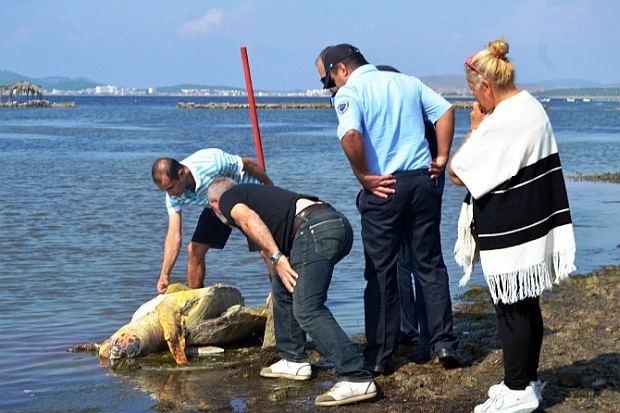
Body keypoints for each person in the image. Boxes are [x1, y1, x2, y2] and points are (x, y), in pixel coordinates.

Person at [315, 43, 462, 374]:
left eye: (329, 81)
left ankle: (381, 355)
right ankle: (443, 343)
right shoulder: (407, 82)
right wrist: (441, 157)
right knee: (430, 263)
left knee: (381, 271)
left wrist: (364, 176)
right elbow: (445, 111)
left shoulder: (350, 92)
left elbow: (350, 135)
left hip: (385, 187)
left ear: (341, 69)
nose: (332, 88)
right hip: (422, 180)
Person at [448, 39, 576, 413]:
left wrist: (475, 128)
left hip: (514, 230)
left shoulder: (503, 118)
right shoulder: (529, 105)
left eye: (474, 93)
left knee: (511, 309)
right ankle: (525, 380)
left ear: (486, 85)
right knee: (524, 305)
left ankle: (518, 389)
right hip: (530, 222)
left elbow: (458, 171)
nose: (476, 102)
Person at [206, 177, 377, 407]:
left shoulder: (228, 199)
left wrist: (278, 257)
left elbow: (249, 221)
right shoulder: (255, 196)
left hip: (314, 229)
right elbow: (266, 252)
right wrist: (275, 275)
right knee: (283, 289)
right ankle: (294, 360)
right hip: (334, 224)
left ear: (214, 204)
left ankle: (356, 376)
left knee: (308, 308)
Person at [151, 148, 273, 294]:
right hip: (217, 205)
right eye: (165, 190)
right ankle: (195, 298)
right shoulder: (172, 196)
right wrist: (164, 274)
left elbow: (248, 164)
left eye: (170, 187)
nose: (170, 194)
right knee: (194, 250)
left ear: (181, 174)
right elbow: (173, 235)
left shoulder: (212, 161)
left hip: (247, 197)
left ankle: (279, 296)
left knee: (266, 250)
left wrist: (270, 188)